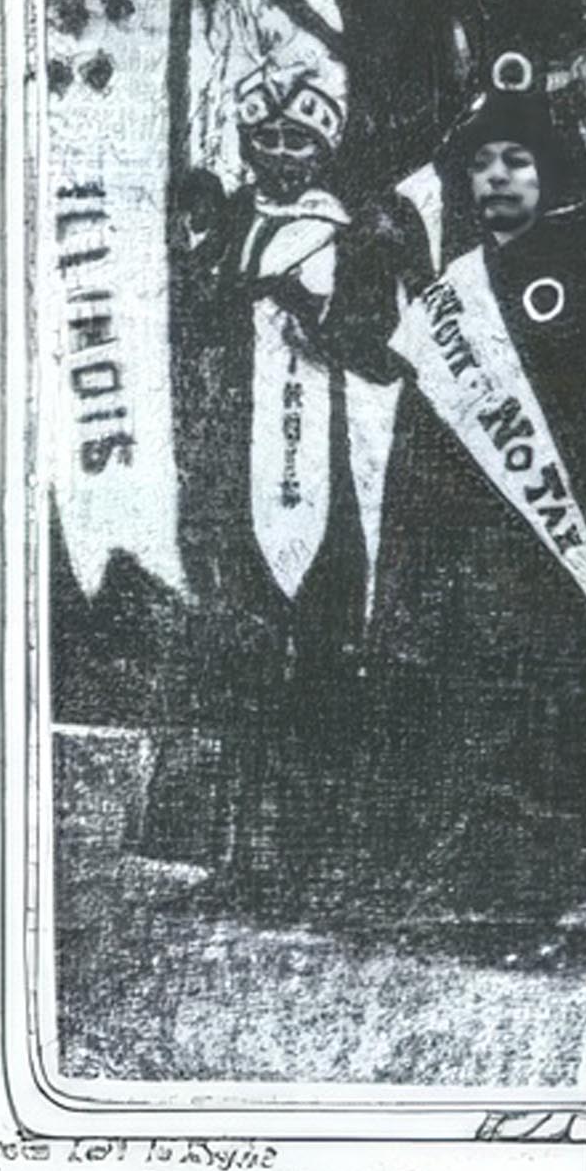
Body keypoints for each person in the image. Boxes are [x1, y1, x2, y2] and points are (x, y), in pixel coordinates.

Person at [370, 62, 586, 916]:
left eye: (519, 161)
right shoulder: (456, 287)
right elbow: (424, 434)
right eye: (483, 164)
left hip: (555, 544)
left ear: (551, 177)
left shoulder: (583, 278)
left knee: (550, 712)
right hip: (475, 542)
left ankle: (548, 885)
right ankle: (483, 884)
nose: (498, 177)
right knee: (480, 709)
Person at [135, 50, 428, 910]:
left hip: (321, 469)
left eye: (298, 141)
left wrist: (318, 313)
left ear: (322, 150)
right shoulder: (229, 230)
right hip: (236, 467)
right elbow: (191, 327)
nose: (280, 155)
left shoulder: (344, 233)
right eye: (266, 139)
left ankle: (317, 854)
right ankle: (237, 854)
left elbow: (379, 348)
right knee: (240, 655)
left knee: (323, 657)